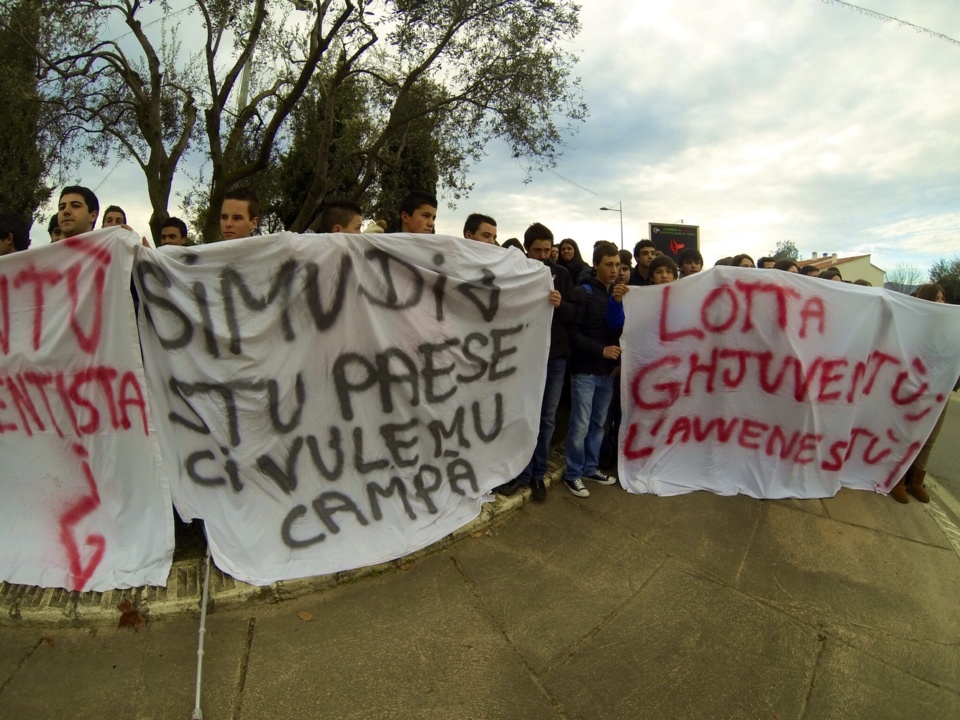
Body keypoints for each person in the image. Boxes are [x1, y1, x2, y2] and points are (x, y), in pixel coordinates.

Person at [499, 222, 576, 501]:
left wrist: (561, 305)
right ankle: (519, 472)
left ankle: (537, 473)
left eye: (547, 250)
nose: (543, 255)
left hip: (555, 358)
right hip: (524, 357)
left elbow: (575, 314)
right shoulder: (517, 273)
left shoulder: (563, 274)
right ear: (527, 250)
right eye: (537, 250)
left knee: (546, 418)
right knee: (522, 414)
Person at [564, 242, 628, 498]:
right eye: (608, 265)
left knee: (598, 424)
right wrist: (600, 351)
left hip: (606, 373)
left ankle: (590, 468)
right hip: (584, 371)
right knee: (580, 424)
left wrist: (615, 362)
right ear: (596, 265)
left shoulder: (619, 295)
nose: (614, 270)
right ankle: (572, 473)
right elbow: (573, 334)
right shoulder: (583, 293)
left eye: (618, 265)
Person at [890, 284, 952, 504]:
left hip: (941, 392)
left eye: (943, 298)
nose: (942, 302)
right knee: (908, 435)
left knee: (929, 439)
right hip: (916, 390)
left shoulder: (952, 329)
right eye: (937, 298)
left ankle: (915, 482)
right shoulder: (914, 327)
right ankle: (897, 480)